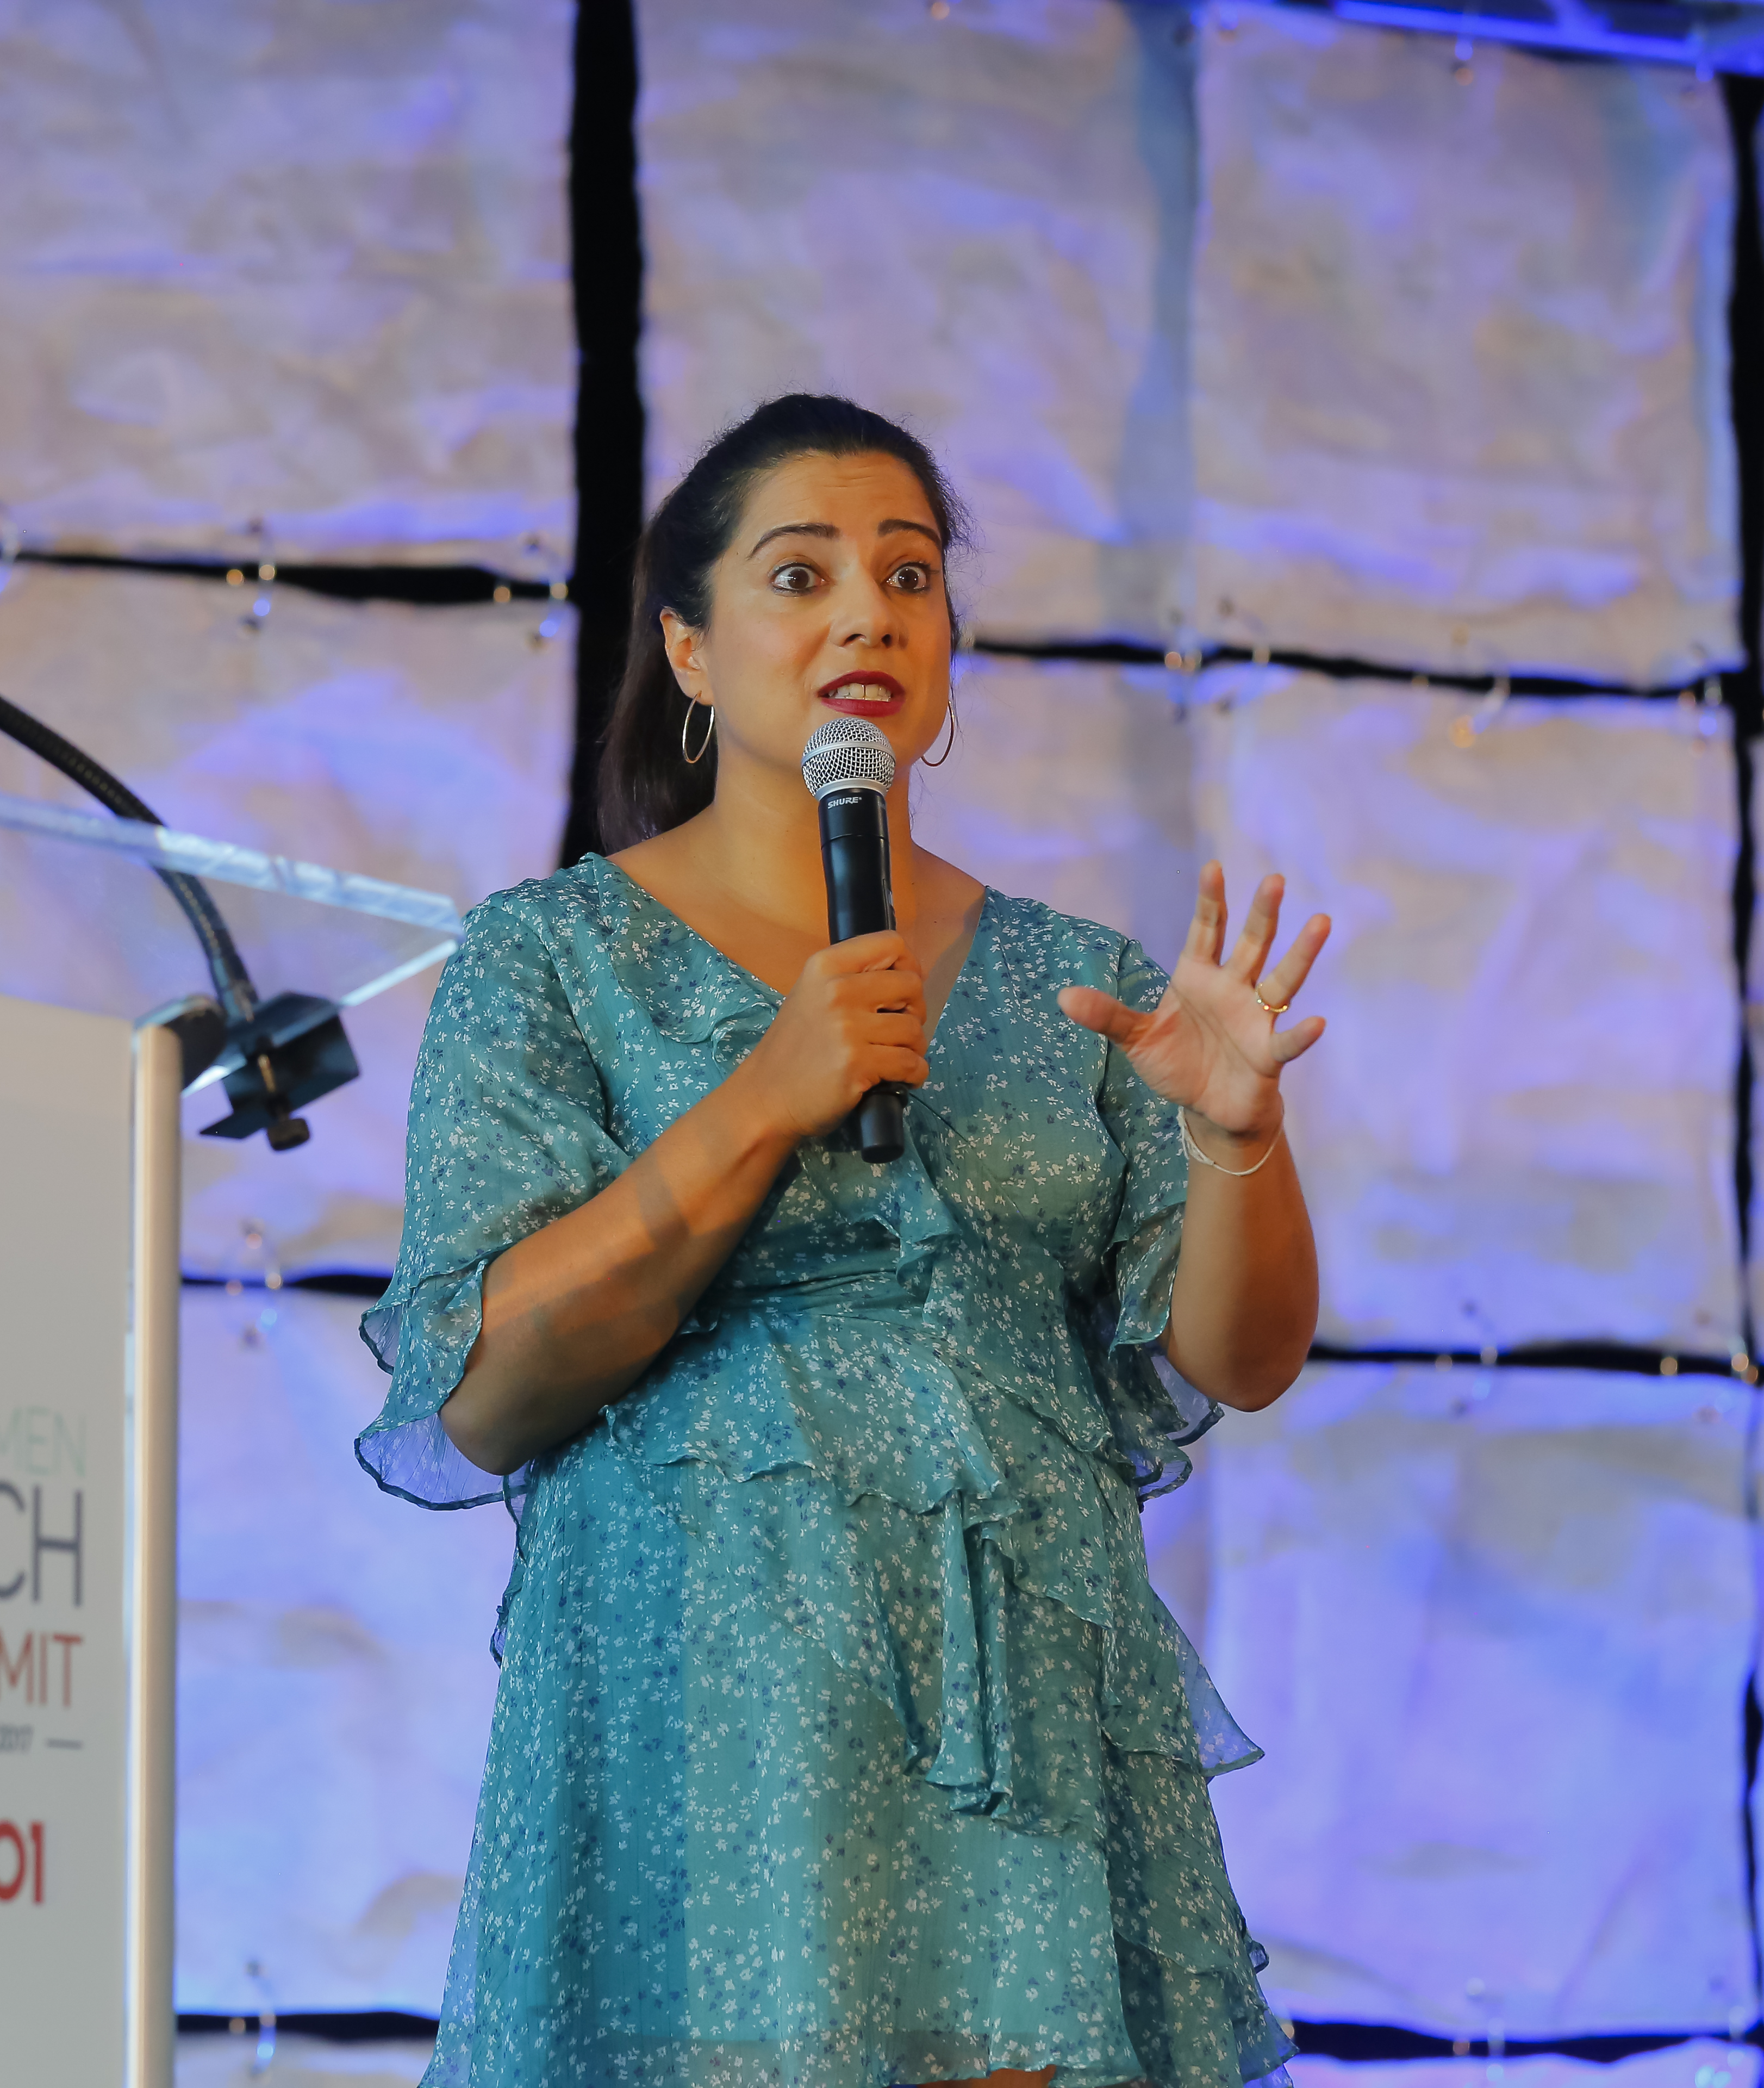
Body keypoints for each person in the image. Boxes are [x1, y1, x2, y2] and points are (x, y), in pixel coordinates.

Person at [359, 394, 1330, 2088]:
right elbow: (483, 1399)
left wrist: (1234, 1136)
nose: (867, 613)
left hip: (1016, 1707)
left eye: (909, 574)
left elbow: (1237, 1360)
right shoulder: (547, 957)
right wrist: (767, 1097)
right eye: (799, 575)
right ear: (690, 646)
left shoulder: (1073, 974)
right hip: (710, 1714)